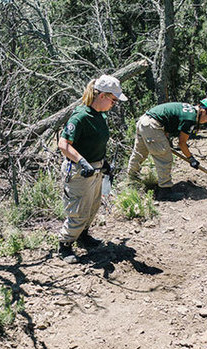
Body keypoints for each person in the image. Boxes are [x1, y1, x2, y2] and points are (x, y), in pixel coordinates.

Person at [57, 75, 128, 264]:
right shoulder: (81, 116)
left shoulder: (100, 115)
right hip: (80, 170)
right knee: (78, 209)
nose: (114, 104)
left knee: (93, 206)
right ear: (103, 95)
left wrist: (103, 163)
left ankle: (83, 236)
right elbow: (63, 144)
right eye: (113, 100)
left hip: (96, 168)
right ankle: (65, 245)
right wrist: (81, 161)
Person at [126, 97, 207, 200]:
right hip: (152, 125)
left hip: (144, 121)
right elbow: (182, 143)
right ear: (203, 110)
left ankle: (131, 181)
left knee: (139, 154)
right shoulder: (190, 118)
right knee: (165, 158)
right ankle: (165, 191)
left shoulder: (189, 110)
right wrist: (191, 158)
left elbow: (169, 119)